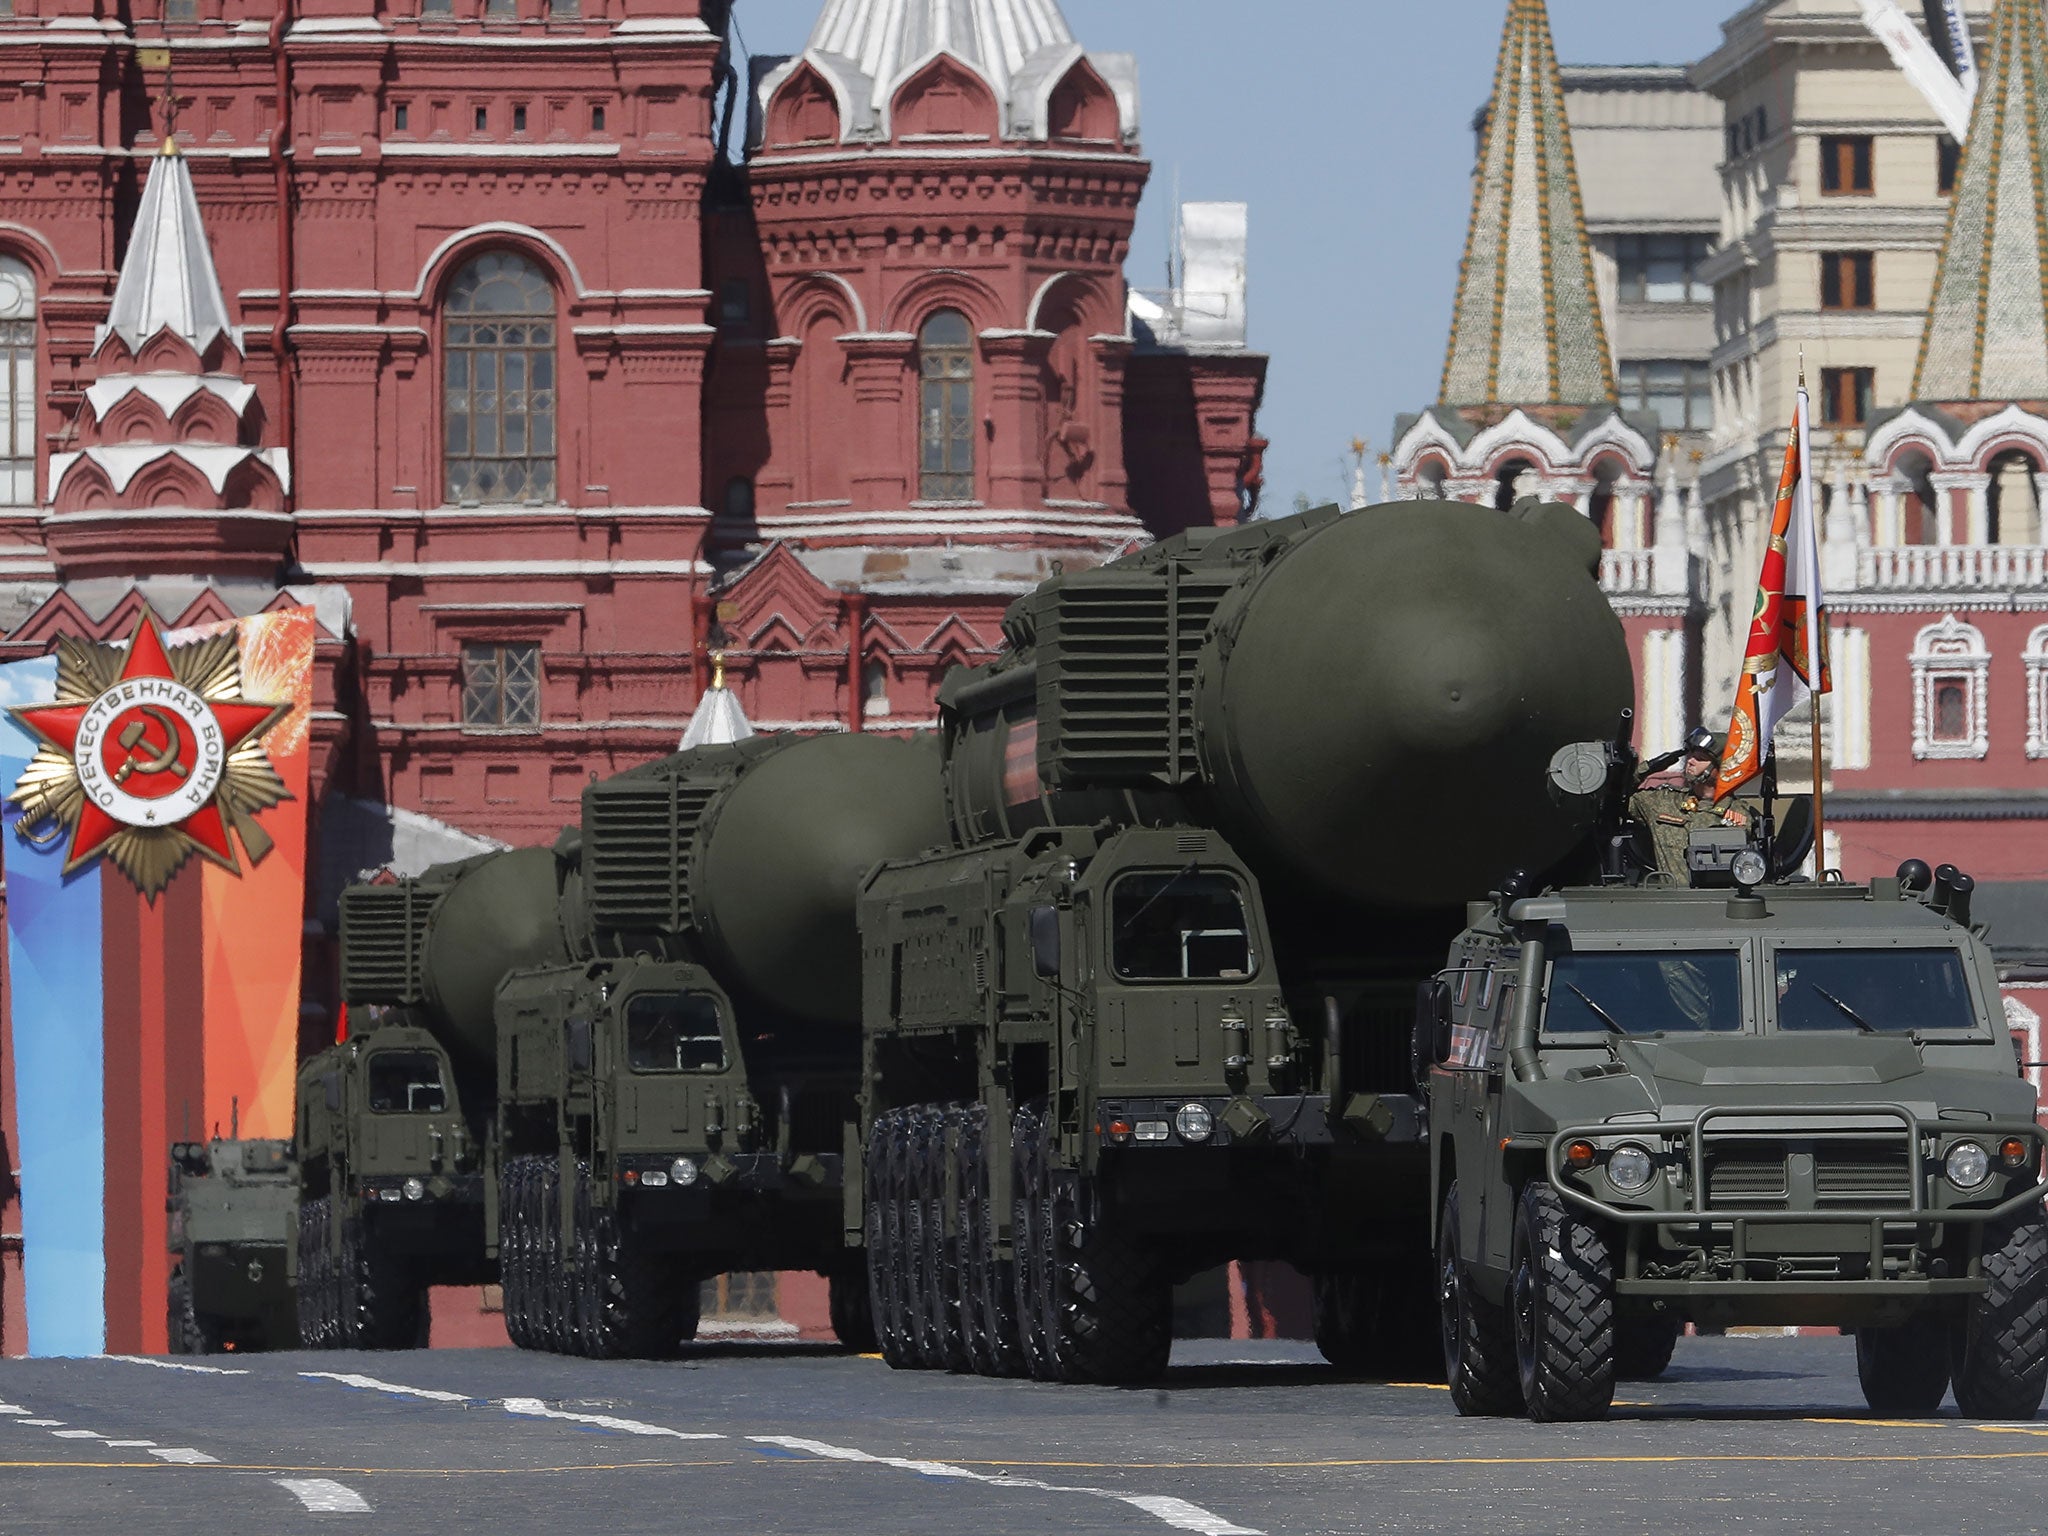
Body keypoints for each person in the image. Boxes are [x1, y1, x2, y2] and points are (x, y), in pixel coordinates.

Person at [1627, 726, 1754, 881]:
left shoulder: (1740, 814)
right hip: (1673, 900)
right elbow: (1617, 794)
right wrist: (1652, 766)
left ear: (1721, 767)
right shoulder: (1664, 802)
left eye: (1700, 758)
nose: (1690, 761)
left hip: (1722, 901)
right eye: (1691, 755)